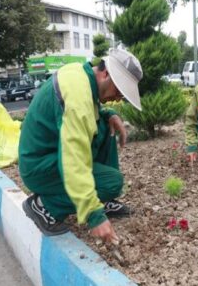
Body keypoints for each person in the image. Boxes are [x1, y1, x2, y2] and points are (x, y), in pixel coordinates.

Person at [19, 48, 143, 244]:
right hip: (39, 168)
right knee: (112, 182)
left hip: (46, 156)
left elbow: (88, 113)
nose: (119, 97)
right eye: (119, 90)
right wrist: (94, 214)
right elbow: (72, 158)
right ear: (106, 74)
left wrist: (108, 113)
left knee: (105, 125)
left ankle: (104, 200)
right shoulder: (79, 100)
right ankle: (44, 206)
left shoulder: (80, 76)